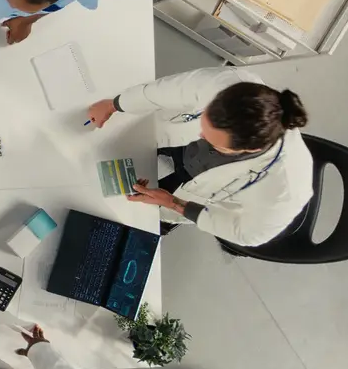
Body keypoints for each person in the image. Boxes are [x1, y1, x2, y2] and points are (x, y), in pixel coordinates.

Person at [87, 67, 313, 246]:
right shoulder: (229, 82)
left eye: (213, 140)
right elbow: (162, 92)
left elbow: (248, 234)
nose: (200, 134)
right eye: (204, 122)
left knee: (119, 213)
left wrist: (174, 203)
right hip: (175, 142)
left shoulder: (286, 190)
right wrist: (114, 104)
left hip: (197, 192)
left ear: (248, 150)